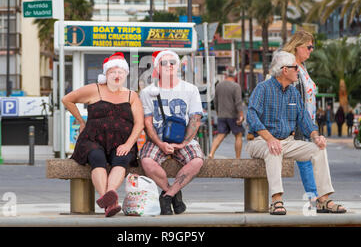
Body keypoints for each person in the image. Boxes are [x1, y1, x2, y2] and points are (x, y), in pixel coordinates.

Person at [246, 51, 346, 215]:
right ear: (284, 70)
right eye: (295, 68)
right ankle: (276, 200)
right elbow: (251, 116)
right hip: (260, 141)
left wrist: (316, 137)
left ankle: (323, 200)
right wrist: (270, 139)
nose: (298, 71)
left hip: (288, 141)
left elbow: (305, 120)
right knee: (274, 149)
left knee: (318, 149)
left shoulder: (294, 93)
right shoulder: (262, 89)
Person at [62, 52, 144, 217]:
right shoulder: (94, 89)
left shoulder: (131, 95)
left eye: (120, 72)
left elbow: (139, 124)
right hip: (93, 139)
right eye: (112, 72)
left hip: (121, 141)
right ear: (105, 74)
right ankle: (110, 201)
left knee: (121, 159)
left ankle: (109, 196)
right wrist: (81, 121)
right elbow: (67, 99)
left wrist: (128, 144)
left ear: (126, 74)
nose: (116, 75)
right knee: (97, 158)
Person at [139, 50, 204, 215]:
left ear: (178, 66)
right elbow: (148, 121)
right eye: (163, 63)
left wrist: (183, 143)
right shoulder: (147, 92)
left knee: (197, 161)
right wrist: (160, 143)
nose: (169, 66)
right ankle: (173, 192)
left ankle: (167, 196)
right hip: (157, 139)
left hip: (183, 139)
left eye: (172, 62)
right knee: (146, 161)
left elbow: (195, 119)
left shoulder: (190, 89)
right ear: (157, 68)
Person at [282, 30, 318, 199]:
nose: (311, 50)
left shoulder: (303, 67)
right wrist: (294, 125)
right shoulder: (291, 67)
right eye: (308, 47)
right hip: (299, 124)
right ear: (297, 47)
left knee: (309, 160)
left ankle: (315, 197)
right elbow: (289, 99)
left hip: (309, 123)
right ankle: (315, 197)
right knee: (306, 162)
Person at [208, 66, 244, 159]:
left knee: (220, 135)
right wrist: (241, 115)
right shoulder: (236, 86)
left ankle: (211, 153)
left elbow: (215, 101)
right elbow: (238, 102)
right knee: (238, 135)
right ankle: (238, 158)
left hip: (221, 115)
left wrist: (218, 112)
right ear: (235, 74)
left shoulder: (219, 85)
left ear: (226, 74)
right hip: (233, 115)